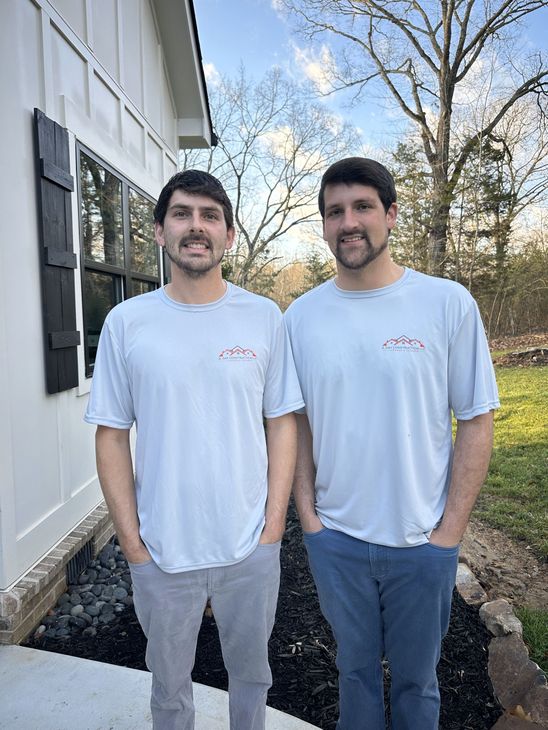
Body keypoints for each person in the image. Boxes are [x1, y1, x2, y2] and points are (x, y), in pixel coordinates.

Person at [284, 157, 499, 730]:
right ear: (324, 225)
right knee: (353, 674)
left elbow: (477, 419)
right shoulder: (301, 318)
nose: (348, 222)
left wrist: (448, 533)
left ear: (392, 215)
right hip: (338, 541)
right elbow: (295, 425)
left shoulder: (446, 303)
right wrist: (308, 520)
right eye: (334, 211)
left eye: (362, 207)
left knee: (416, 681)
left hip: (421, 544)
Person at [85, 170, 304, 730]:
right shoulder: (128, 323)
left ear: (229, 234)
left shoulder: (263, 318)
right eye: (182, 214)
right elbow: (110, 433)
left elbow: (282, 422)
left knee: (252, 680)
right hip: (162, 548)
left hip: (249, 545)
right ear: (159, 231)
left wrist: (273, 526)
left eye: (210, 216)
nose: (196, 227)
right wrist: (133, 543)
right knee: (168, 688)